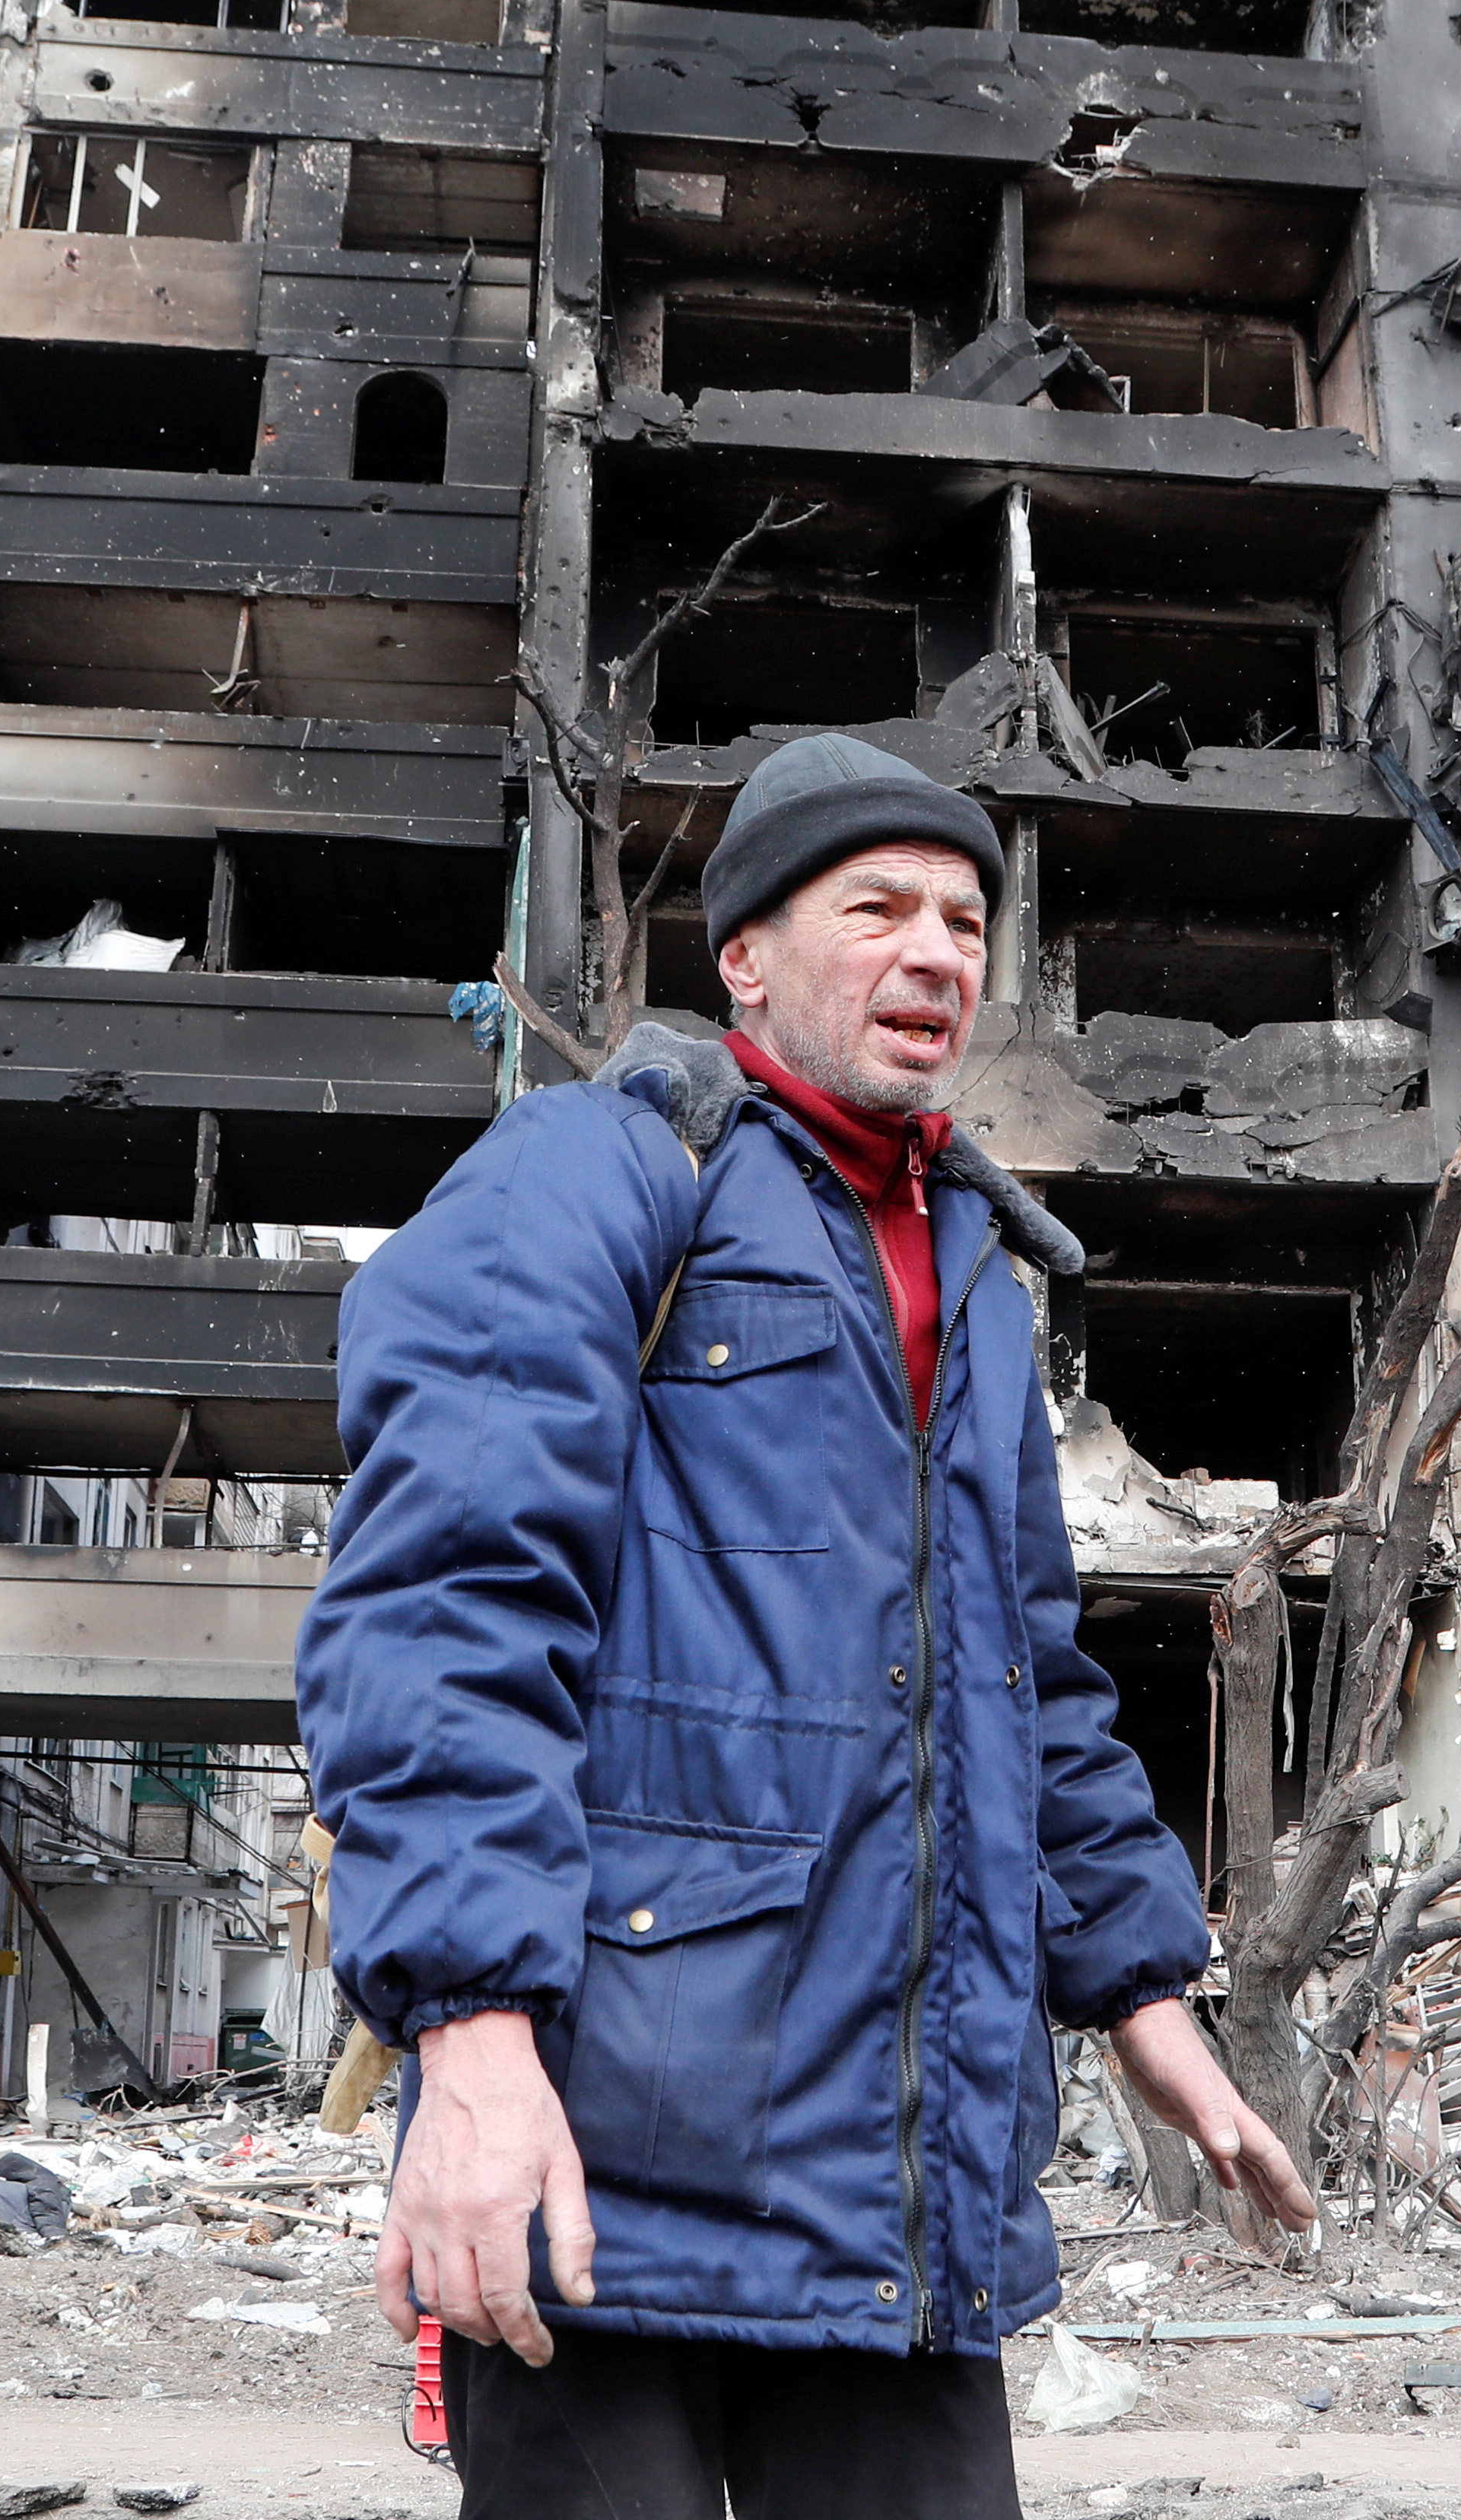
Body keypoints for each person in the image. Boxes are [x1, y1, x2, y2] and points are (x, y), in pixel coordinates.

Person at [300, 734, 1317, 2518]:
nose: (937, 951)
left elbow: (1032, 1681)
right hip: (607, 2164)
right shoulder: (597, 1171)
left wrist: (1141, 1986)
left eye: (966, 921)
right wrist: (467, 2034)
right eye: (877, 909)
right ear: (747, 960)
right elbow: (446, 1599)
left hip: (898, 2190)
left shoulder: (980, 1275)